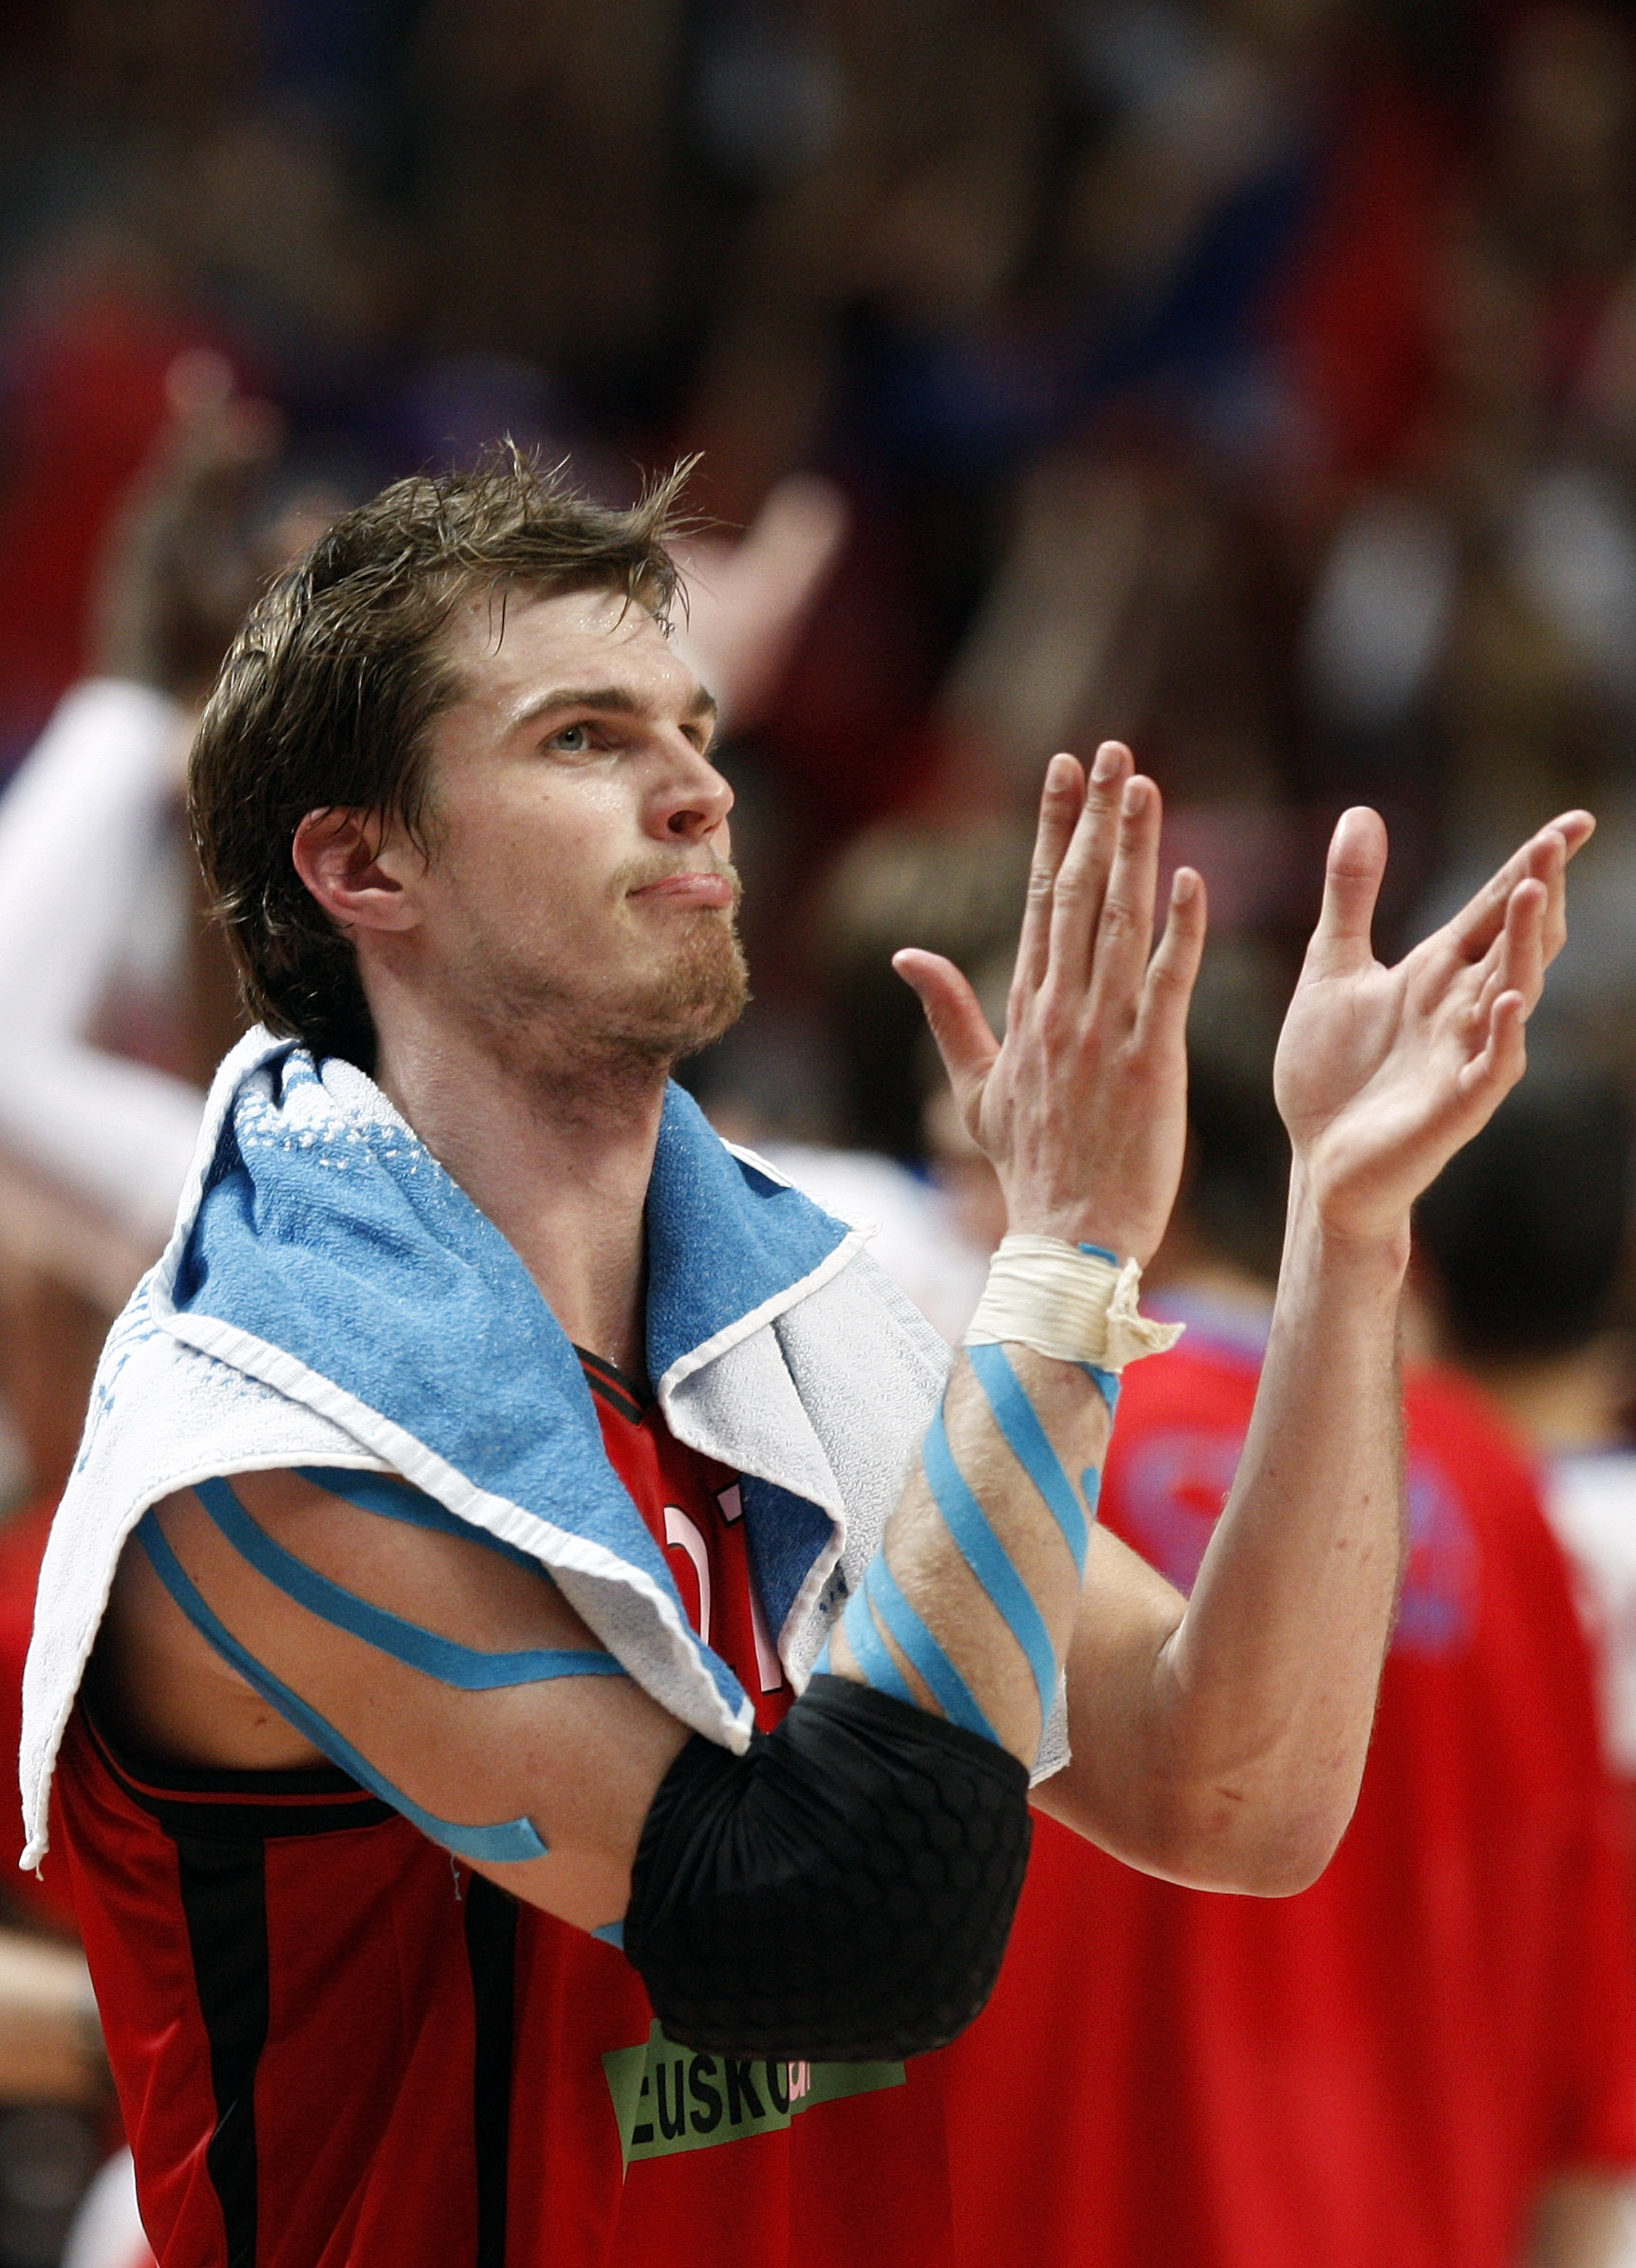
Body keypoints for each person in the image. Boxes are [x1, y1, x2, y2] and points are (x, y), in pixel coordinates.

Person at [24, 452, 1586, 2268]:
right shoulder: (264, 1435)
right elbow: (820, 1934)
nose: (700, 787)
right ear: (363, 863)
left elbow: (1229, 1787)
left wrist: (1350, 1223)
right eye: (586, 738)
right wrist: (1065, 1261)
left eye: (695, 728)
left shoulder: (786, 1307)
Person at [935, 950, 1636, 2268]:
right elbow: (1586, 2016)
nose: (960, 1211)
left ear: (1149, 1149)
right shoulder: (1495, 1484)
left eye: (983, 1151)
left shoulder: (999, 1459)